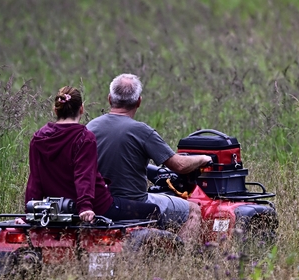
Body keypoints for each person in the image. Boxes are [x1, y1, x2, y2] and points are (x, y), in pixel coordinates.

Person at [86, 74, 212, 244]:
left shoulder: (90, 127)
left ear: (109, 99)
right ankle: (182, 259)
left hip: (96, 202)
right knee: (193, 210)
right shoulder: (141, 131)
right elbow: (180, 165)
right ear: (139, 101)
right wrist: (203, 158)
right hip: (134, 202)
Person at [25, 86, 159, 223]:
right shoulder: (83, 137)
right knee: (153, 211)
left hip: (58, 209)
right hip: (99, 207)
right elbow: (83, 174)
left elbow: (35, 180)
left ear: (55, 109)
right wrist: (85, 207)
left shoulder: (38, 138)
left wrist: (29, 213)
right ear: (81, 109)